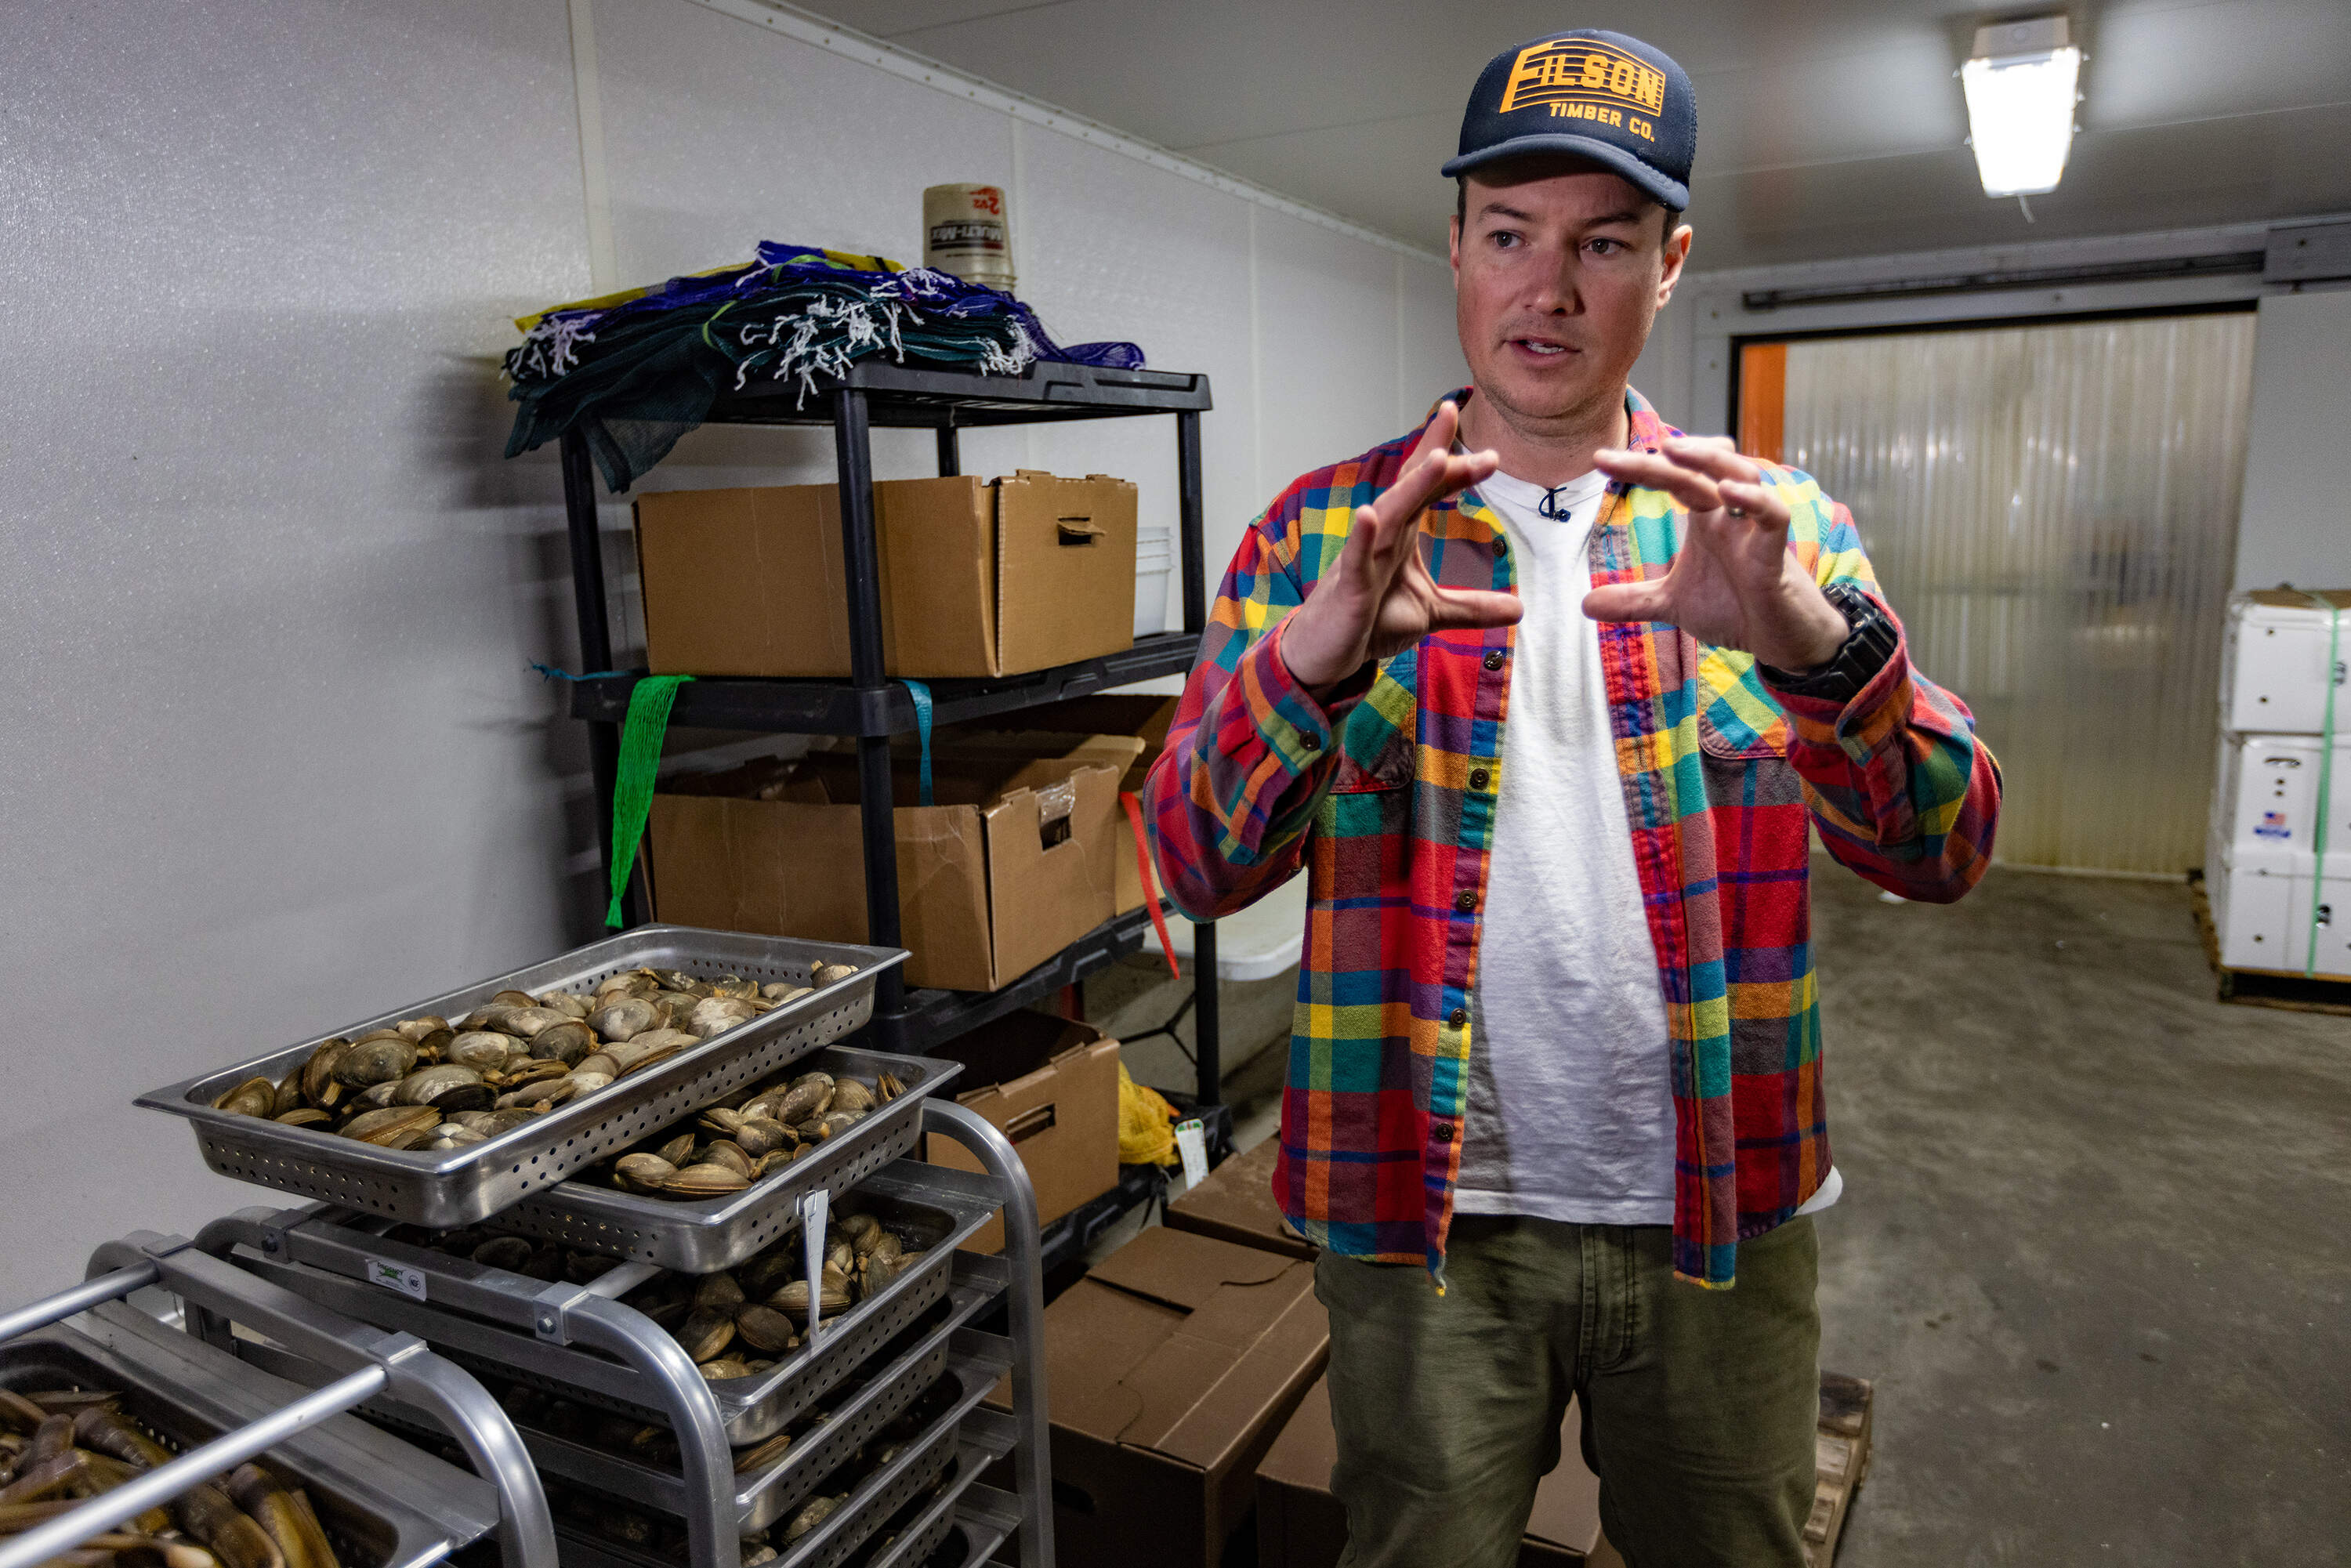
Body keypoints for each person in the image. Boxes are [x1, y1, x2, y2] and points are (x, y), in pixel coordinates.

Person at [1141, 28, 2002, 1568]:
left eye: (1601, 243)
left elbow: (1947, 843)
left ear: (1669, 266)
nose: (1548, 288)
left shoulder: (1767, 526)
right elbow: (1192, 862)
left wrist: (1814, 641)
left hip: (1719, 1217)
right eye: (1509, 236)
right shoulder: (1322, 534)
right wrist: (1315, 657)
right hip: (1424, 1226)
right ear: (1455, 246)